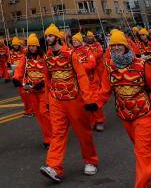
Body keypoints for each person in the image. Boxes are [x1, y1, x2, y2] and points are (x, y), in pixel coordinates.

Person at [95, 30, 151, 188]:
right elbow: (104, 92)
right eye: (112, 46)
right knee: (147, 150)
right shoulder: (109, 68)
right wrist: (94, 104)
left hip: (145, 114)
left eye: (118, 45)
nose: (115, 48)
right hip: (125, 115)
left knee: (143, 152)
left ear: (126, 46)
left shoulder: (141, 65)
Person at [39, 24, 98, 183]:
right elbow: (47, 80)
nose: (48, 39)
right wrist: (48, 101)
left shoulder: (71, 54)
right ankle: (54, 167)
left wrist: (88, 99)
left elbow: (81, 76)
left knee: (83, 133)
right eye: (46, 36)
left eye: (50, 36)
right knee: (57, 133)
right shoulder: (47, 57)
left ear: (57, 37)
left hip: (74, 100)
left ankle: (91, 161)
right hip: (57, 100)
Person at [13, 34, 51, 148]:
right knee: (39, 115)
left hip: (43, 90)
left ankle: (53, 136)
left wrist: (43, 82)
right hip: (31, 91)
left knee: (44, 112)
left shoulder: (44, 57)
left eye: (34, 46)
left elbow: (49, 73)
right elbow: (20, 69)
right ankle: (47, 137)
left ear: (38, 46)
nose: (32, 48)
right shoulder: (25, 58)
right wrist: (16, 78)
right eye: (30, 46)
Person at [83, 31, 106, 131]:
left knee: (95, 99)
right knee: (87, 102)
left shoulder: (97, 45)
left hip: (97, 70)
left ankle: (99, 120)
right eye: (87, 37)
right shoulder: (83, 49)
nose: (89, 38)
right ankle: (92, 121)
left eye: (90, 37)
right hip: (84, 79)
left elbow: (100, 53)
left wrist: (92, 57)